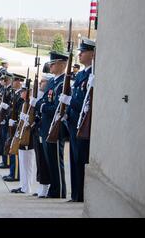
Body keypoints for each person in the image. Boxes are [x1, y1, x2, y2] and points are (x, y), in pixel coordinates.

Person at [65, 38, 96, 202]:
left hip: (83, 124)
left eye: (83, 52)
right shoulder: (82, 74)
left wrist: (70, 102)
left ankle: (82, 195)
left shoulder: (93, 75)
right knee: (74, 160)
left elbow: (86, 100)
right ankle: (75, 194)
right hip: (73, 122)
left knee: (81, 159)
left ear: (92, 53)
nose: (80, 54)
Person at [35, 51, 69, 199]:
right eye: (51, 64)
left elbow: (57, 107)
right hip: (46, 126)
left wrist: (41, 107)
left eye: (53, 63)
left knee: (55, 161)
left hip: (54, 127)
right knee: (49, 161)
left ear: (62, 64)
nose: (51, 66)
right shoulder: (52, 82)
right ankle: (53, 189)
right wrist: (41, 105)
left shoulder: (62, 83)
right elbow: (43, 100)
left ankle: (59, 190)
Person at [31, 72, 53, 198]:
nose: (40, 84)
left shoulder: (46, 95)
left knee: (44, 160)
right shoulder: (40, 95)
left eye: (43, 82)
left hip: (44, 130)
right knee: (40, 160)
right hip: (38, 129)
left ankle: (46, 186)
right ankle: (42, 185)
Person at [2, 74, 26, 182]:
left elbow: (18, 111)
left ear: (19, 82)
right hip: (11, 123)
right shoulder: (15, 93)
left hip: (15, 125)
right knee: (10, 147)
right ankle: (12, 172)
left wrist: (14, 121)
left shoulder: (20, 95)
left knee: (14, 149)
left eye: (14, 81)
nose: (11, 82)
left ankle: (15, 174)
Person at [0, 73, 13, 169]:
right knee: (2, 139)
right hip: (3, 118)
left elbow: (11, 106)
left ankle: (7, 162)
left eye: (4, 80)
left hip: (7, 119)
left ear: (9, 80)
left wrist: (5, 116)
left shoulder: (11, 90)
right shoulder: (6, 89)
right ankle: (4, 160)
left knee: (6, 140)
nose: (2, 81)